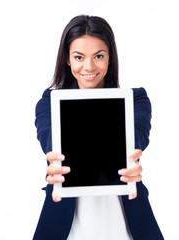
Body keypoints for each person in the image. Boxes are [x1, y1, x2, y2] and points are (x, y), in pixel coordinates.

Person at [33, 15, 164, 240]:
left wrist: (130, 154)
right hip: (67, 220)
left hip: (124, 217)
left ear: (110, 57)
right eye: (79, 57)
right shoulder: (49, 102)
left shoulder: (136, 100)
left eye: (99, 56)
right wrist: (55, 157)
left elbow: (137, 136)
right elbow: (49, 137)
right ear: (67, 59)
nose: (89, 67)